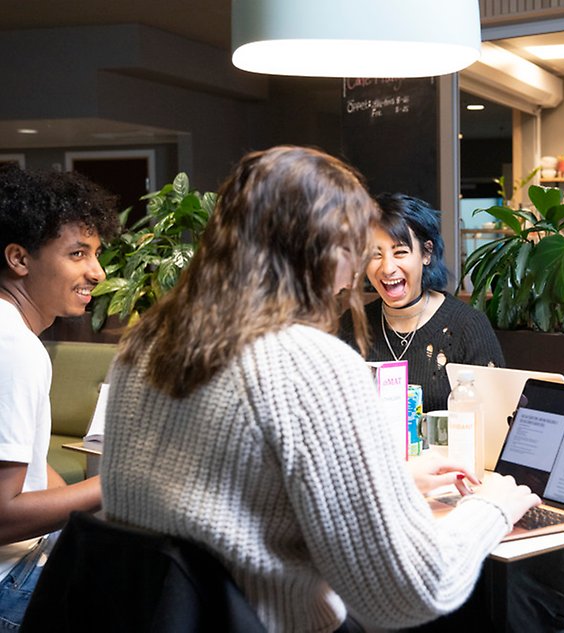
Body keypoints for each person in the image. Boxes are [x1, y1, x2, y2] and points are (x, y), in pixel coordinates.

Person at [100, 146, 539, 632]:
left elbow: (234, 499)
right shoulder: (308, 362)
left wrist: (391, 481)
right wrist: (494, 505)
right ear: (320, 249)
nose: (364, 265)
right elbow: (412, 590)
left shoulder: (147, 342)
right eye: (357, 244)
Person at [0, 165, 117, 628]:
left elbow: (29, 468)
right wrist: (123, 477)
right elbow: (2, 517)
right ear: (19, 258)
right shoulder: (15, 349)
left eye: (96, 254)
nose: (98, 272)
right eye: (77, 254)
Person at [340, 193, 504, 411]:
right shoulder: (351, 325)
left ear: (426, 253)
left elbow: (494, 416)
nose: (387, 268)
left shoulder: (468, 326)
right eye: (375, 255)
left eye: (400, 252)